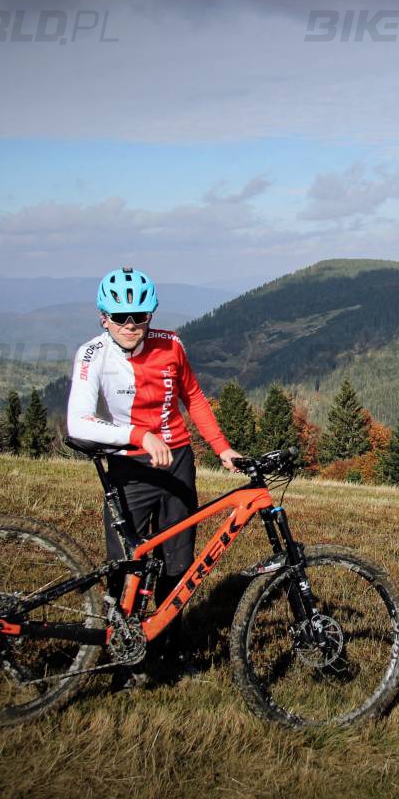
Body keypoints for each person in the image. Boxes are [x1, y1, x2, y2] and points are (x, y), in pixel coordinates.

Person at [66, 265, 242, 680]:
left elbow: (193, 396)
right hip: (128, 465)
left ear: (152, 316)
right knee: (126, 564)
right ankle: (121, 655)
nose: (130, 326)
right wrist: (140, 437)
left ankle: (169, 651)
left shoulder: (171, 345)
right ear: (103, 317)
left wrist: (222, 448)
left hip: (178, 461)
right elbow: (78, 422)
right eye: (120, 317)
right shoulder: (93, 354)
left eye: (140, 317)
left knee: (178, 564)